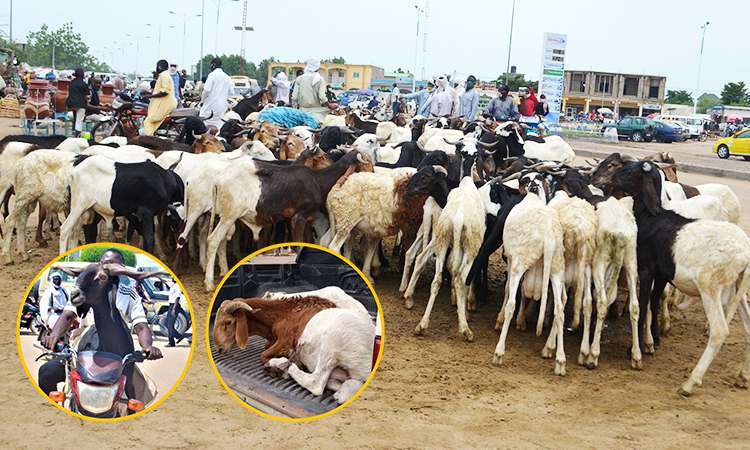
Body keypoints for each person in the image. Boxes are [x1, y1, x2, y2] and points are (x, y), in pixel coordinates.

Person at [39, 249, 164, 396]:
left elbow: (141, 326)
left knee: (133, 394)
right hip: (82, 351)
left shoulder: (129, 294)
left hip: (119, 353)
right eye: (105, 262)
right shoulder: (87, 290)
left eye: (114, 264)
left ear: (121, 268)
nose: (109, 265)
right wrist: (54, 335)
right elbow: (68, 315)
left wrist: (148, 346)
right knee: (46, 372)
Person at [292, 58, 336, 122]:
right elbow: (322, 97)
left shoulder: (299, 79)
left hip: (302, 112)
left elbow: (294, 97)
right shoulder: (320, 79)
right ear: (317, 67)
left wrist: (296, 109)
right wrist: (329, 105)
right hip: (317, 114)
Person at [141, 60, 178, 135]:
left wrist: (149, 96)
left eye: (157, 66)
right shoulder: (164, 75)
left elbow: (165, 92)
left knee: (149, 121)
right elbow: (160, 91)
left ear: (160, 67)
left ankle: (148, 141)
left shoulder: (164, 76)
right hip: (165, 103)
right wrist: (148, 93)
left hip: (165, 104)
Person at [199, 57, 233, 130]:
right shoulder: (227, 77)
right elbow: (231, 92)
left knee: (205, 127)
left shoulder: (212, 75)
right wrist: (222, 97)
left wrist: (202, 101)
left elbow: (207, 90)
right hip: (221, 107)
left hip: (209, 107)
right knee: (218, 127)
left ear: (213, 65)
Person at [65, 68, 89, 138]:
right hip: (80, 104)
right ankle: (77, 137)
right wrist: (86, 109)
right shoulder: (83, 84)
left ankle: (75, 130)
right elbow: (85, 97)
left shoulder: (72, 83)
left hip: (72, 104)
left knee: (76, 120)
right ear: (82, 75)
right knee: (79, 122)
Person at [165, 281, 186, 347]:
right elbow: (165, 281)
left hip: (174, 306)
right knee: (166, 323)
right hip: (171, 305)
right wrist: (157, 276)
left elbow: (177, 297)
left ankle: (171, 342)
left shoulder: (177, 286)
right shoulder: (173, 284)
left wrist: (174, 309)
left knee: (170, 324)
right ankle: (178, 336)